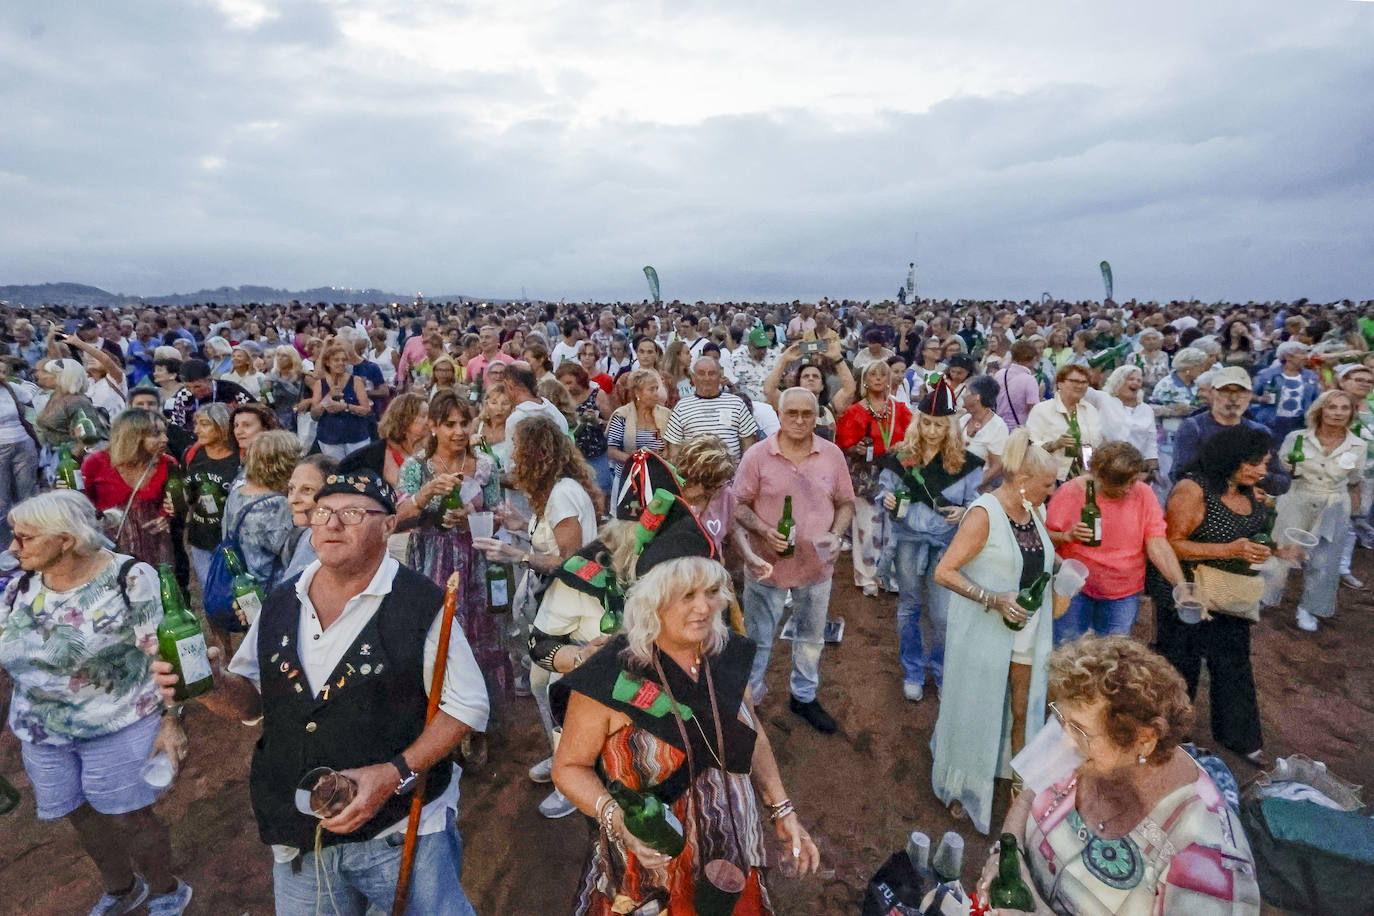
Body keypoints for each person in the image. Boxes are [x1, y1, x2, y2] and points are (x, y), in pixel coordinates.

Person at [152, 471, 488, 914]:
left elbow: (466, 705)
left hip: (400, 829)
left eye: (351, 513)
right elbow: (252, 699)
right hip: (299, 830)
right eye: (323, 512)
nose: (331, 524)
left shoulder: (421, 603)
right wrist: (212, 684)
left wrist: (392, 774)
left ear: (388, 525)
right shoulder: (280, 600)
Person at [549, 557, 820, 916]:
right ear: (653, 599)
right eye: (687, 595)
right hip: (650, 861)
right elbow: (568, 767)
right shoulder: (610, 676)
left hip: (729, 849)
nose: (704, 607)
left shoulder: (726, 655)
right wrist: (617, 819)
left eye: (711, 592)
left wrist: (782, 809)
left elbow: (749, 732)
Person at [2, 491, 193, 915]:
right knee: (79, 813)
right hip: (41, 729)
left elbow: (166, 653)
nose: (13, 547)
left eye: (25, 538)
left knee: (131, 816)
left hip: (120, 721)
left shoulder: (128, 578)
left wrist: (172, 720)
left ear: (66, 540)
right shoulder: (18, 585)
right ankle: (122, 889)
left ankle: (165, 890)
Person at [978, 636, 1260, 916]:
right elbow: (1027, 795)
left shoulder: (1208, 859)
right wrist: (1005, 854)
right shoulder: (1072, 733)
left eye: (1078, 731)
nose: (1061, 741)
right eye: (1060, 719)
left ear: (1144, 740)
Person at [474, 414, 601, 818]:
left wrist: (519, 554)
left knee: (559, 691)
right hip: (556, 608)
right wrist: (520, 524)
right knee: (542, 682)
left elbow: (574, 562)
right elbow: (549, 536)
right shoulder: (555, 492)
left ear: (534, 454)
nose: (511, 456)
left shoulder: (562, 494)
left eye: (516, 448)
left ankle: (574, 778)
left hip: (576, 611)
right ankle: (561, 757)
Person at [931, 429, 1057, 833]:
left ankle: (1014, 778)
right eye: (1048, 485)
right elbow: (943, 572)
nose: (1052, 491)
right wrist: (992, 597)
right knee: (976, 706)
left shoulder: (1033, 511)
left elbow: (1039, 563)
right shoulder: (984, 514)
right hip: (985, 632)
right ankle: (963, 786)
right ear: (1022, 482)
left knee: (1022, 707)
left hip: (1026, 630)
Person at [1147, 425, 1273, 766]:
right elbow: (1170, 543)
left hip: (1229, 594)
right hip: (1186, 594)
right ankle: (1172, 736)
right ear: (1231, 459)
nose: (1262, 471)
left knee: (1234, 663)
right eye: (1255, 463)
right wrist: (1229, 549)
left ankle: (1238, 735)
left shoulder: (1248, 489)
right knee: (1179, 664)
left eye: (1265, 463)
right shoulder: (1192, 489)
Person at [735, 387, 855, 733]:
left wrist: (836, 533)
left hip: (816, 567)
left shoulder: (831, 455)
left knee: (811, 637)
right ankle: (751, 702)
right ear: (780, 414)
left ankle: (803, 696)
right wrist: (763, 528)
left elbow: (846, 502)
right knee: (757, 637)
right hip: (766, 567)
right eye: (792, 413)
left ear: (816, 417)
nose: (800, 420)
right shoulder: (757, 455)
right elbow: (739, 505)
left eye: (807, 414)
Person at [396, 392, 510, 722]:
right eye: (449, 424)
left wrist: (472, 516)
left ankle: (479, 717)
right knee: (438, 633)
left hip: (477, 561)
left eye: (464, 423)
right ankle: (439, 714)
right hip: (432, 561)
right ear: (433, 426)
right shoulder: (416, 467)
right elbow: (398, 517)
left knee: (481, 634)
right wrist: (426, 494)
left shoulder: (487, 465)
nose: (459, 431)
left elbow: (499, 516)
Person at [877, 381, 984, 701]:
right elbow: (885, 490)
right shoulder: (901, 456)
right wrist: (888, 501)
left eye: (939, 425)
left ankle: (939, 668)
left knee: (942, 614)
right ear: (917, 422)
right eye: (926, 423)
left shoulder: (967, 462)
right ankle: (912, 669)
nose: (933, 430)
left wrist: (965, 512)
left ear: (951, 425)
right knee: (909, 606)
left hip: (946, 544)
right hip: (908, 539)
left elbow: (978, 504)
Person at [1046, 441, 1185, 641]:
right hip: (1075, 589)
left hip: (1123, 591)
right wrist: (1066, 535)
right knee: (1068, 652)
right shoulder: (1070, 492)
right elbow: (1043, 539)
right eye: (1121, 483)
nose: (1129, 489)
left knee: (1114, 657)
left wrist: (1180, 585)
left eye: (1133, 481)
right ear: (1098, 476)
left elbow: (1157, 543)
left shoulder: (1143, 493)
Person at [1274, 390, 1366, 632]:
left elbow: (1355, 478)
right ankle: (1266, 596)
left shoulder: (1358, 445)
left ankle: (1309, 607)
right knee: (1281, 550)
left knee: (1324, 561)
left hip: (1334, 504)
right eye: (1331, 407)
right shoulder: (1297, 437)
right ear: (1320, 410)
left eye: (1344, 408)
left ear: (1352, 413)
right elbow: (1283, 468)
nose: (1337, 413)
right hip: (1297, 497)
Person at [836, 360, 913, 595]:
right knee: (867, 528)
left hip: (895, 473)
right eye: (873, 375)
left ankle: (887, 575)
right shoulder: (855, 411)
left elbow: (914, 436)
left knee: (891, 526)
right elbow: (841, 444)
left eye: (883, 375)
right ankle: (867, 576)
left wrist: (903, 445)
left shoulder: (899, 409)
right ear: (865, 381)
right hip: (865, 475)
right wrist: (855, 449)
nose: (878, 379)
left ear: (889, 380)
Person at [78, 408, 178, 571]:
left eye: (164, 433)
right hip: (112, 551)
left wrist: (167, 514)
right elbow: (83, 506)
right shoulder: (95, 463)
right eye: (156, 434)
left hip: (156, 549)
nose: (165, 439)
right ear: (133, 436)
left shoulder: (168, 464)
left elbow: (174, 502)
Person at [221, 430, 298, 612]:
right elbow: (290, 557)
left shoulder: (237, 492)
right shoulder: (277, 505)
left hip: (244, 591)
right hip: (272, 594)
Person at [180, 404, 240, 590]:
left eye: (204, 424)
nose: (197, 430)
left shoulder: (241, 457)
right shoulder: (192, 454)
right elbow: (186, 491)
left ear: (222, 426)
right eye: (196, 424)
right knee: (210, 592)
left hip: (232, 539)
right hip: (201, 537)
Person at [663, 357, 759, 461]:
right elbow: (673, 449)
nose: (707, 378)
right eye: (701, 373)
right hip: (692, 475)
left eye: (712, 373)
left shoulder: (737, 404)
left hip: (732, 474)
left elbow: (749, 445)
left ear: (719, 376)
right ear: (694, 378)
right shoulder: (681, 407)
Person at [1025, 364, 1103, 482]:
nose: (1079, 386)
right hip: (1049, 477)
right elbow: (1031, 448)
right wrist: (1056, 444)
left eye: (1084, 382)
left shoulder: (1090, 410)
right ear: (1060, 383)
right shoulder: (1042, 410)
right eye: (1074, 381)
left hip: (1083, 477)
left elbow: (1097, 443)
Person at [606, 368, 669, 496]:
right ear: (637, 393)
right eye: (651, 389)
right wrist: (637, 460)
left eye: (657, 388)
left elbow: (672, 447)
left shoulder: (666, 415)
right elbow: (612, 451)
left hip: (659, 479)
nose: (656, 393)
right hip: (627, 479)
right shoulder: (622, 415)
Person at [305, 340, 372, 460]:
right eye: (336, 360)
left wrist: (346, 407)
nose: (341, 363)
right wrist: (328, 397)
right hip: (330, 437)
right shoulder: (320, 384)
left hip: (356, 436)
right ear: (328, 363)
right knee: (336, 472)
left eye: (344, 360)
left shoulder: (356, 381)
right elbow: (314, 414)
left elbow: (366, 410)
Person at [0, 360, 42, 547]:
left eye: (3, 371)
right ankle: (7, 545)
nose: (1, 375)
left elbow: (32, 400)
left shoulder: (11, 388)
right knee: (2, 500)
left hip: (23, 443)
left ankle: (33, 538)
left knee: (27, 494)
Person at [557, 362, 614, 496]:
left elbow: (612, 423)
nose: (567, 387)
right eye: (562, 384)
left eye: (569, 382)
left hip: (596, 454)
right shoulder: (561, 399)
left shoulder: (597, 395)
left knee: (600, 491)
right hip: (572, 457)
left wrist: (597, 421)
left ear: (580, 379)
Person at [281, 453, 337, 581]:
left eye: (307, 490)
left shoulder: (343, 554)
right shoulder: (298, 538)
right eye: (291, 489)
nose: (293, 500)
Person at [1253, 340, 1321, 445]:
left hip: (1300, 422)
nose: (1306, 357)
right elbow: (1249, 394)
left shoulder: (1311, 376)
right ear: (1288, 356)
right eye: (1302, 353)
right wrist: (1260, 399)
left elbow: (1317, 399)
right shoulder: (1267, 375)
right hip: (1272, 422)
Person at [167, 359, 253, 431]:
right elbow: (176, 426)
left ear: (209, 379)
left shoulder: (232, 390)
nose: (192, 391)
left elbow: (254, 411)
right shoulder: (183, 395)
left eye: (197, 386)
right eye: (188, 387)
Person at [958, 374, 1009, 483]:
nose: (962, 396)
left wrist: (971, 487)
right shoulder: (964, 419)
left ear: (977, 397)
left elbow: (997, 467)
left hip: (976, 492)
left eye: (966, 391)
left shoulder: (997, 427)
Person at [993, 341, 1042, 431]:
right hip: (1019, 430)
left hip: (998, 428)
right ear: (1033, 359)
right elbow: (1034, 410)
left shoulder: (999, 374)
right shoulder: (1030, 380)